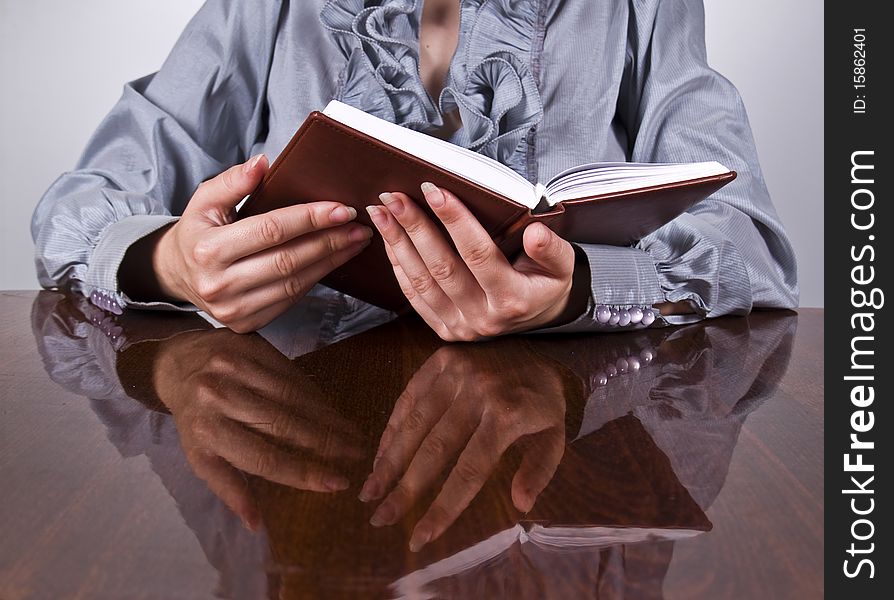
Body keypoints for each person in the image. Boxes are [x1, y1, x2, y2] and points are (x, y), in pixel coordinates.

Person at [31, 0, 798, 340]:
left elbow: (754, 248)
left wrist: (579, 291)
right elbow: (85, 200)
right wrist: (172, 263)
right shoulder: (268, 7)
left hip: (558, 445)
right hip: (286, 425)